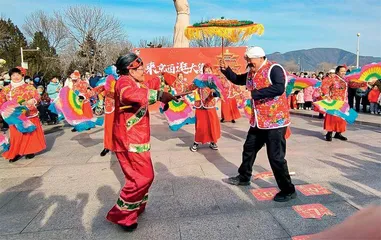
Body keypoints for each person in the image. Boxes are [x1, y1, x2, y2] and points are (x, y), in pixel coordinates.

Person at [106, 53, 178, 231]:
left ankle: (134, 209)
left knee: (136, 177)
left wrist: (162, 80)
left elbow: (151, 83)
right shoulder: (124, 82)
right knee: (144, 177)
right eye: (139, 69)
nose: (143, 71)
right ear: (129, 70)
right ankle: (122, 215)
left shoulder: (137, 81)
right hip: (129, 140)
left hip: (136, 139)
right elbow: (130, 95)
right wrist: (160, 95)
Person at [220, 46, 296, 202]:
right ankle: (244, 177)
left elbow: (279, 88)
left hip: (275, 120)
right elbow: (238, 79)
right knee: (249, 148)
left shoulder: (274, 69)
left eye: (250, 60)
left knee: (275, 157)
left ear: (260, 57)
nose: (249, 63)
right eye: (247, 60)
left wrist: (253, 94)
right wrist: (226, 70)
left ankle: (288, 190)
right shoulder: (251, 72)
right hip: (259, 120)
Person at [0, 67, 46, 162]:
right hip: (14, 115)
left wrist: (32, 101)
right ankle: (16, 152)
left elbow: (37, 97)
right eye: (13, 75)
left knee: (29, 133)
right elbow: (1, 101)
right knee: (16, 135)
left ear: (22, 75)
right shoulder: (6, 89)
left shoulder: (29, 87)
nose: (15, 77)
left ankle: (29, 150)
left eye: (18, 74)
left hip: (28, 113)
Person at [322, 66, 366, 141]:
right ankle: (329, 133)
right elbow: (325, 86)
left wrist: (364, 83)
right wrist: (326, 95)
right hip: (334, 101)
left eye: (344, 71)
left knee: (341, 118)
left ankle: (338, 133)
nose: (343, 72)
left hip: (344, 101)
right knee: (333, 117)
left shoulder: (346, 79)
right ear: (337, 71)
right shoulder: (333, 78)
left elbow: (353, 85)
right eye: (342, 71)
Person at [183, 63, 221, 152]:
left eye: (209, 70)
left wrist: (214, 92)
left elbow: (218, 92)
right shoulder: (198, 81)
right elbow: (190, 88)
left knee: (211, 124)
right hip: (200, 106)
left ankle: (213, 141)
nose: (207, 72)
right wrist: (181, 93)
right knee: (200, 125)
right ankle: (196, 142)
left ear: (212, 71)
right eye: (205, 70)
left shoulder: (214, 81)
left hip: (210, 105)